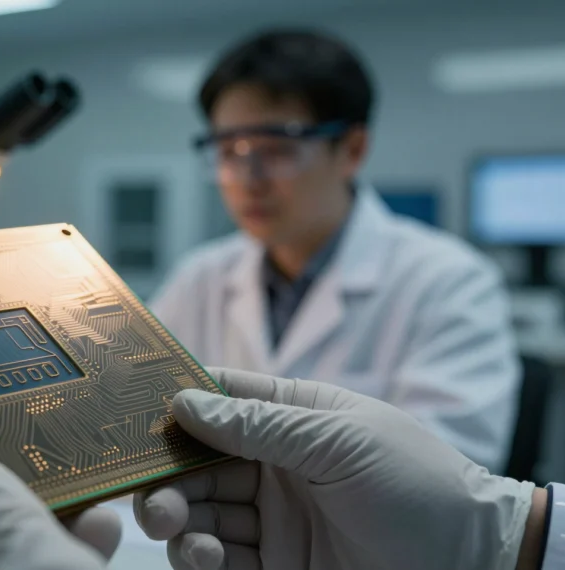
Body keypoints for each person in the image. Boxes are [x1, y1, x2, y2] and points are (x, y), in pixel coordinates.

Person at [150, 28, 519, 470]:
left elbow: (449, 476)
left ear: (352, 149)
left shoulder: (448, 281)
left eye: (277, 149)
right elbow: (138, 410)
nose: (249, 179)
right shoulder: (200, 277)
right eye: (228, 151)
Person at [0, 368, 565, 569]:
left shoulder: (443, 277)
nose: (244, 169)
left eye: (270, 143)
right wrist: (510, 538)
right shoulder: (207, 269)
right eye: (225, 146)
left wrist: (495, 530)